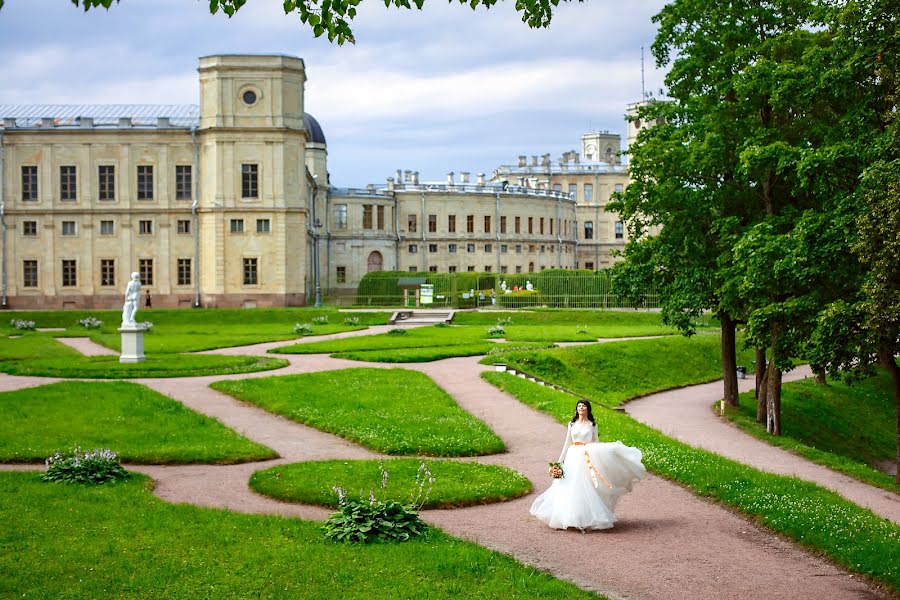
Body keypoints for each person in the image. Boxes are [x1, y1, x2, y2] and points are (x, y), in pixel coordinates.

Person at [530, 399, 645, 530]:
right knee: (569, 485)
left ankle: (587, 517)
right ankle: (568, 517)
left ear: (588, 409)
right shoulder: (571, 424)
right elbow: (567, 442)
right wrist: (559, 461)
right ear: (576, 409)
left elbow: (596, 442)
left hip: (587, 457)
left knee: (586, 486)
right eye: (579, 406)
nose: (581, 408)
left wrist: (601, 456)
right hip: (572, 456)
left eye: (583, 406)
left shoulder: (592, 425)